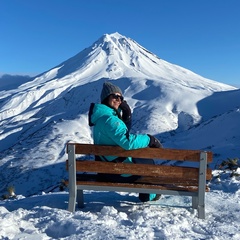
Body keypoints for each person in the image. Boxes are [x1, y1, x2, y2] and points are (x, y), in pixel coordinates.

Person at [88, 82, 162, 202]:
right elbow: (127, 142)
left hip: (108, 169)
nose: (118, 100)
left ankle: (148, 193)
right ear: (106, 98)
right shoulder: (109, 120)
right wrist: (150, 139)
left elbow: (120, 135)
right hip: (120, 172)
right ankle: (150, 194)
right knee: (148, 163)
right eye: (115, 96)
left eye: (121, 97)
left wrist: (127, 117)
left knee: (143, 159)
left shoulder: (101, 119)